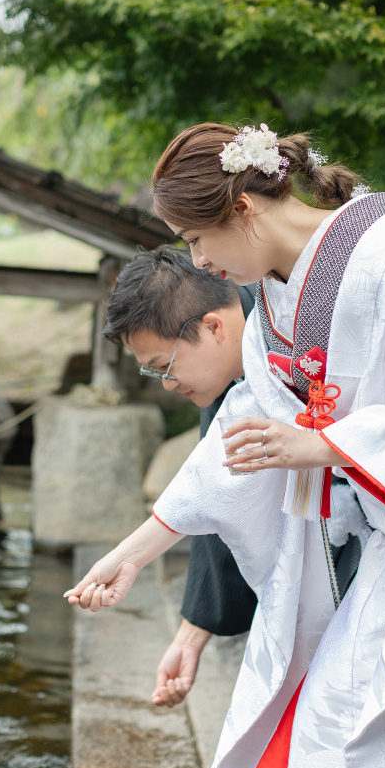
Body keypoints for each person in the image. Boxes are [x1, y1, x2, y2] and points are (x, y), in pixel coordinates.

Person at [65, 122, 385, 768]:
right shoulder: (271, 310)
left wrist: (325, 445)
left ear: (242, 207)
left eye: (197, 238)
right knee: (341, 720)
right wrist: (133, 551)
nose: (200, 263)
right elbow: (238, 446)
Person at [102, 245, 259, 707]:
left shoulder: (297, 327)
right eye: (154, 372)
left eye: (165, 367)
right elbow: (221, 495)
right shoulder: (224, 366)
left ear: (213, 327)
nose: (168, 385)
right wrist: (190, 637)